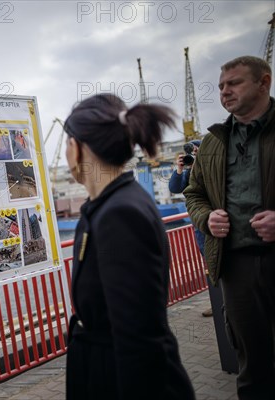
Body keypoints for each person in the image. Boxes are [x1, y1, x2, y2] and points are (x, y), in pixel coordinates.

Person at [64, 93, 194, 399]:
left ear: (80, 148)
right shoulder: (110, 205)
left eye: (68, 142)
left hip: (118, 379)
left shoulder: (120, 214)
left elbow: (139, 339)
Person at [184, 55, 275, 400]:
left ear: (263, 82)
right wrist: (206, 217)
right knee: (250, 363)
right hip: (235, 268)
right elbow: (193, 193)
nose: (225, 91)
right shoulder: (213, 142)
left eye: (234, 83)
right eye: (221, 86)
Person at [168, 139, 212, 317]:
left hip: (214, 219)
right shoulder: (189, 172)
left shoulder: (211, 166)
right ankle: (216, 301)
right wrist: (179, 168)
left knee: (221, 261)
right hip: (199, 225)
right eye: (193, 154)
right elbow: (174, 187)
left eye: (196, 152)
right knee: (208, 263)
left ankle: (226, 301)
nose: (194, 156)